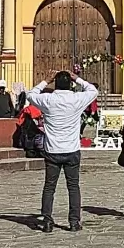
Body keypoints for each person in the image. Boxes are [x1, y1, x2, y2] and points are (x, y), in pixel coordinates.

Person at [25, 72, 99, 233]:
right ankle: (74, 222)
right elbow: (93, 91)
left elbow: (30, 95)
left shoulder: (48, 100)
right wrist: (77, 78)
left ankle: (47, 221)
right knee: (73, 187)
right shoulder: (76, 99)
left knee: (49, 187)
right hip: (71, 149)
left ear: (55, 84)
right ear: (70, 84)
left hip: (52, 149)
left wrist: (45, 80)